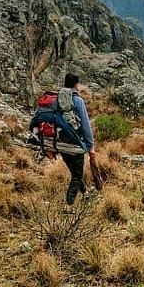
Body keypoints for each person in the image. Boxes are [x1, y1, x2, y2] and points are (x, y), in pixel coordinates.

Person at [57, 72, 95, 204]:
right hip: (75, 142)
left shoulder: (57, 98)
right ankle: (69, 205)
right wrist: (90, 145)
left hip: (60, 141)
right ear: (76, 85)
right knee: (77, 175)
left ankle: (86, 193)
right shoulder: (77, 100)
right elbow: (85, 124)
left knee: (74, 171)